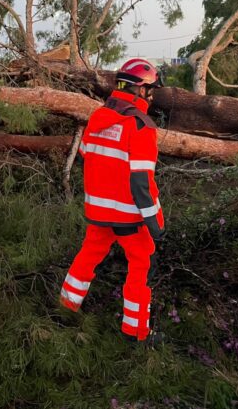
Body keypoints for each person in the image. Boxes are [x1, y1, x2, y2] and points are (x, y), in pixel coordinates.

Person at [59, 58, 165, 344]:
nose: (152, 95)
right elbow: (142, 184)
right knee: (141, 266)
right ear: (140, 90)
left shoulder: (97, 117)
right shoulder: (141, 126)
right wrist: (156, 223)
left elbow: (86, 156)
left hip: (98, 211)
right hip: (130, 217)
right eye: (151, 89)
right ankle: (136, 331)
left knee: (87, 257)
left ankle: (66, 308)